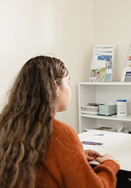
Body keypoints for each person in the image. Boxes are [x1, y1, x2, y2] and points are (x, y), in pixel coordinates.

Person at [0, 56, 120, 188]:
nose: (69, 90)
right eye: (67, 83)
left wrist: (74, 156)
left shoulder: (7, 124)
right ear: (56, 88)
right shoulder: (60, 134)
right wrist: (109, 164)